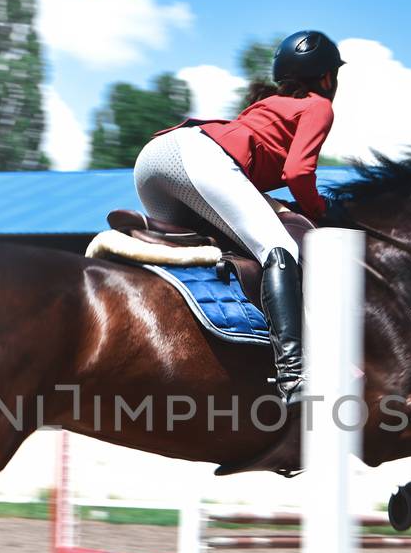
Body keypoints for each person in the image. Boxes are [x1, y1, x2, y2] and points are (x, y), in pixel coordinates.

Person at [133, 30, 342, 404]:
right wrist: (317, 209)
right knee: (278, 249)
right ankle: (294, 374)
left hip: (154, 160)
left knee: (205, 252)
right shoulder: (318, 106)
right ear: (328, 77)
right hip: (197, 159)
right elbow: (297, 172)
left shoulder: (269, 105)